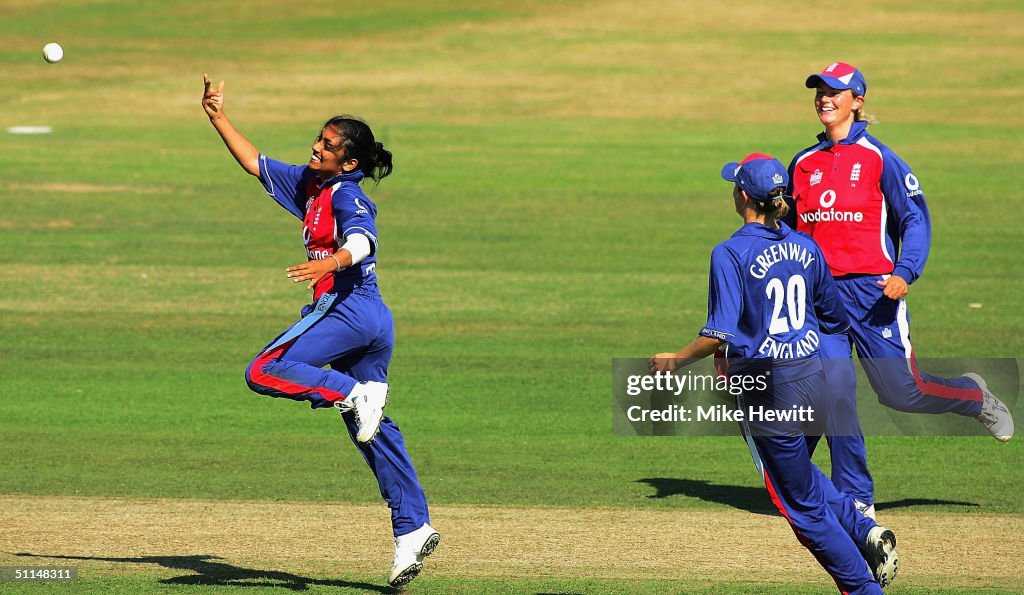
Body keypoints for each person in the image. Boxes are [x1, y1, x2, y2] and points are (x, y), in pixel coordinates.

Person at [201, 74, 439, 588]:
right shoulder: (311, 184)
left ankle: (358, 391)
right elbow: (254, 163)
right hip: (370, 321)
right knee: (371, 430)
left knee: (264, 370)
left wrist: (327, 262)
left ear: (349, 162)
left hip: (349, 310)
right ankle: (412, 528)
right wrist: (218, 116)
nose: (317, 145)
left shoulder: (346, 194)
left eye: (328, 146)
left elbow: (365, 242)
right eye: (320, 138)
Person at [650, 154, 899, 592]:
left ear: (743, 196)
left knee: (799, 507)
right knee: (797, 473)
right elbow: (834, 321)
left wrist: (675, 358)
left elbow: (718, 332)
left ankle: (864, 589)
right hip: (816, 380)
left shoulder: (729, 252)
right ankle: (864, 531)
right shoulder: (807, 245)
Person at [785, 62, 1014, 517]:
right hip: (822, 299)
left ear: (857, 101)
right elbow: (792, 232)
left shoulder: (879, 158)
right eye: (819, 91)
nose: (824, 98)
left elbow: (915, 219)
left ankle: (974, 397)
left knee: (901, 393)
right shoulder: (802, 164)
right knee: (834, 392)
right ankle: (855, 497)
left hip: (875, 295)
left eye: (835, 91)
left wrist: (905, 272)